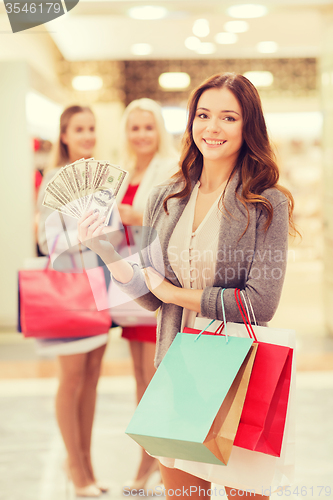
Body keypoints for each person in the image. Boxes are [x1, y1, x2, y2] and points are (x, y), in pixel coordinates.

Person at [77, 73, 296, 500]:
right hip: (178, 365)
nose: (212, 128)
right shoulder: (167, 196)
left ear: (248, 126)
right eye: (203, 115)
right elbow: (148, 295)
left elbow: (260, 304)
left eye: (228, 117)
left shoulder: (268, 201)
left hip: (242, 369)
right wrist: (103, 249)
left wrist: (176, 295)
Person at [37, 105, 108, 498]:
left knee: (93, 378)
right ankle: (77, 470)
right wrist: (80, 237)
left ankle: (86, 462)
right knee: (73, 379)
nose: (86, 135)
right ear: (64, 135)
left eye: (92, 128)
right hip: (68, 291)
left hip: (100, 288)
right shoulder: (52, 182)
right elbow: (48, 243)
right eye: (79, 129)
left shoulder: (100, 180)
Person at [110, 98, 179, 489]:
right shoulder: (120, 171)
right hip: (126, 280)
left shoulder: (169, 169)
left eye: (148, 127)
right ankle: (150, 457)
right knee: (140, 376)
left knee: (156, 375)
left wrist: (136, 216)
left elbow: (172, 219)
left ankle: (155, 459)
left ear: (159, 130)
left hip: (156, 281)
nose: (141, 135)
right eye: (134, 128)